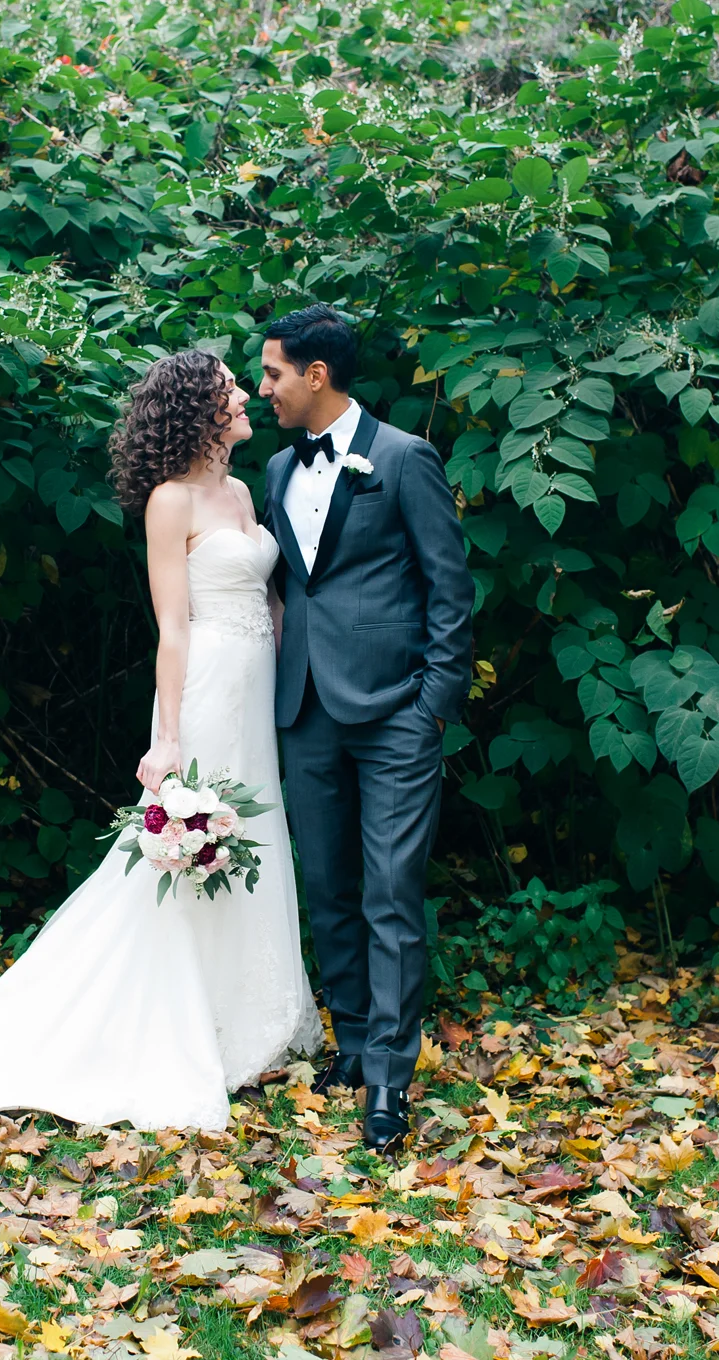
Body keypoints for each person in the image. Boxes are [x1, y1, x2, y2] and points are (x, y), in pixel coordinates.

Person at [0, 350, 319, 1130]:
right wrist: (167, 739)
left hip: (256, 689)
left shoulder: (241, 491)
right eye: (229, 388)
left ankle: (241, 1017)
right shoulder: (170, 502)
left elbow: (269, 601)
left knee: (250, 842)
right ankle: (156, 1026)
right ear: (198, 410)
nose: (245, 395)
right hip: (205, 689)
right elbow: (173, 628)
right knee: (189, 850)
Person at [259, 304, 475, 1153]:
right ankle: (352, 1043)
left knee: (391, 891)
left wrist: (432, 705)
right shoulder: (277, 468)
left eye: (274, 373)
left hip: (396, 714)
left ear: (317, 375)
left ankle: (388, 1078)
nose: (263, 388)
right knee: (328, 884)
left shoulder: (404, 458)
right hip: (306, 708)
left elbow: (449, 587)